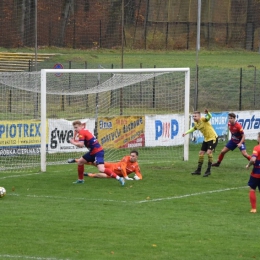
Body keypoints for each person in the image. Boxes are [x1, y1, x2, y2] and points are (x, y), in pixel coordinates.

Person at [68, 120, 125, 186]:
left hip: (98, 152)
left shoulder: (82, 132)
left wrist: (73, 142)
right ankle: (80, 180)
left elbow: (81, 145)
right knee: (80, 162)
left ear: (81, 126)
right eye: (74, 128)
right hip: (93, 152)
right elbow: (81, 144)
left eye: (76, 127)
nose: (75, 129)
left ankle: (119, 178)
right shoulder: (83, 131)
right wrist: (75, 141)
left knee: (101, 169)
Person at [182, 109, 218, 177]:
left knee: (209, 152)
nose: (194, 118)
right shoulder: (196, 123)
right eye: (193, 116)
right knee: (201, 153)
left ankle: (208, 170)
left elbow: (209, 117)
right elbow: (193, 128)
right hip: (206, 139)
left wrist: (208, 113)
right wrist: (186, 133)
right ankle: (198, 170)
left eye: (195, 116)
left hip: (213, 138)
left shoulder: (203, 119)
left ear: (199, 116)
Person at [70, 150, 142, 180]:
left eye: (133, 156)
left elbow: (139, 174)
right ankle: (76, 160)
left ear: (136, 157)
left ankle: (88, 174)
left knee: (100, 176)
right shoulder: (126, 158)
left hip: (114, 173)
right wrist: (126, 177)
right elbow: (123, 168)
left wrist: (138, 178)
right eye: (131, 155)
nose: (131, 157)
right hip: (111, 166)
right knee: (94, 163)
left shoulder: (136, 166)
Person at [245, 132, 260, 213]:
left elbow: (253, 159)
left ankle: (253, 209)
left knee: (252, 189)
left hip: (256, 173)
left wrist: (248, 165)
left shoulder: (257, 148)